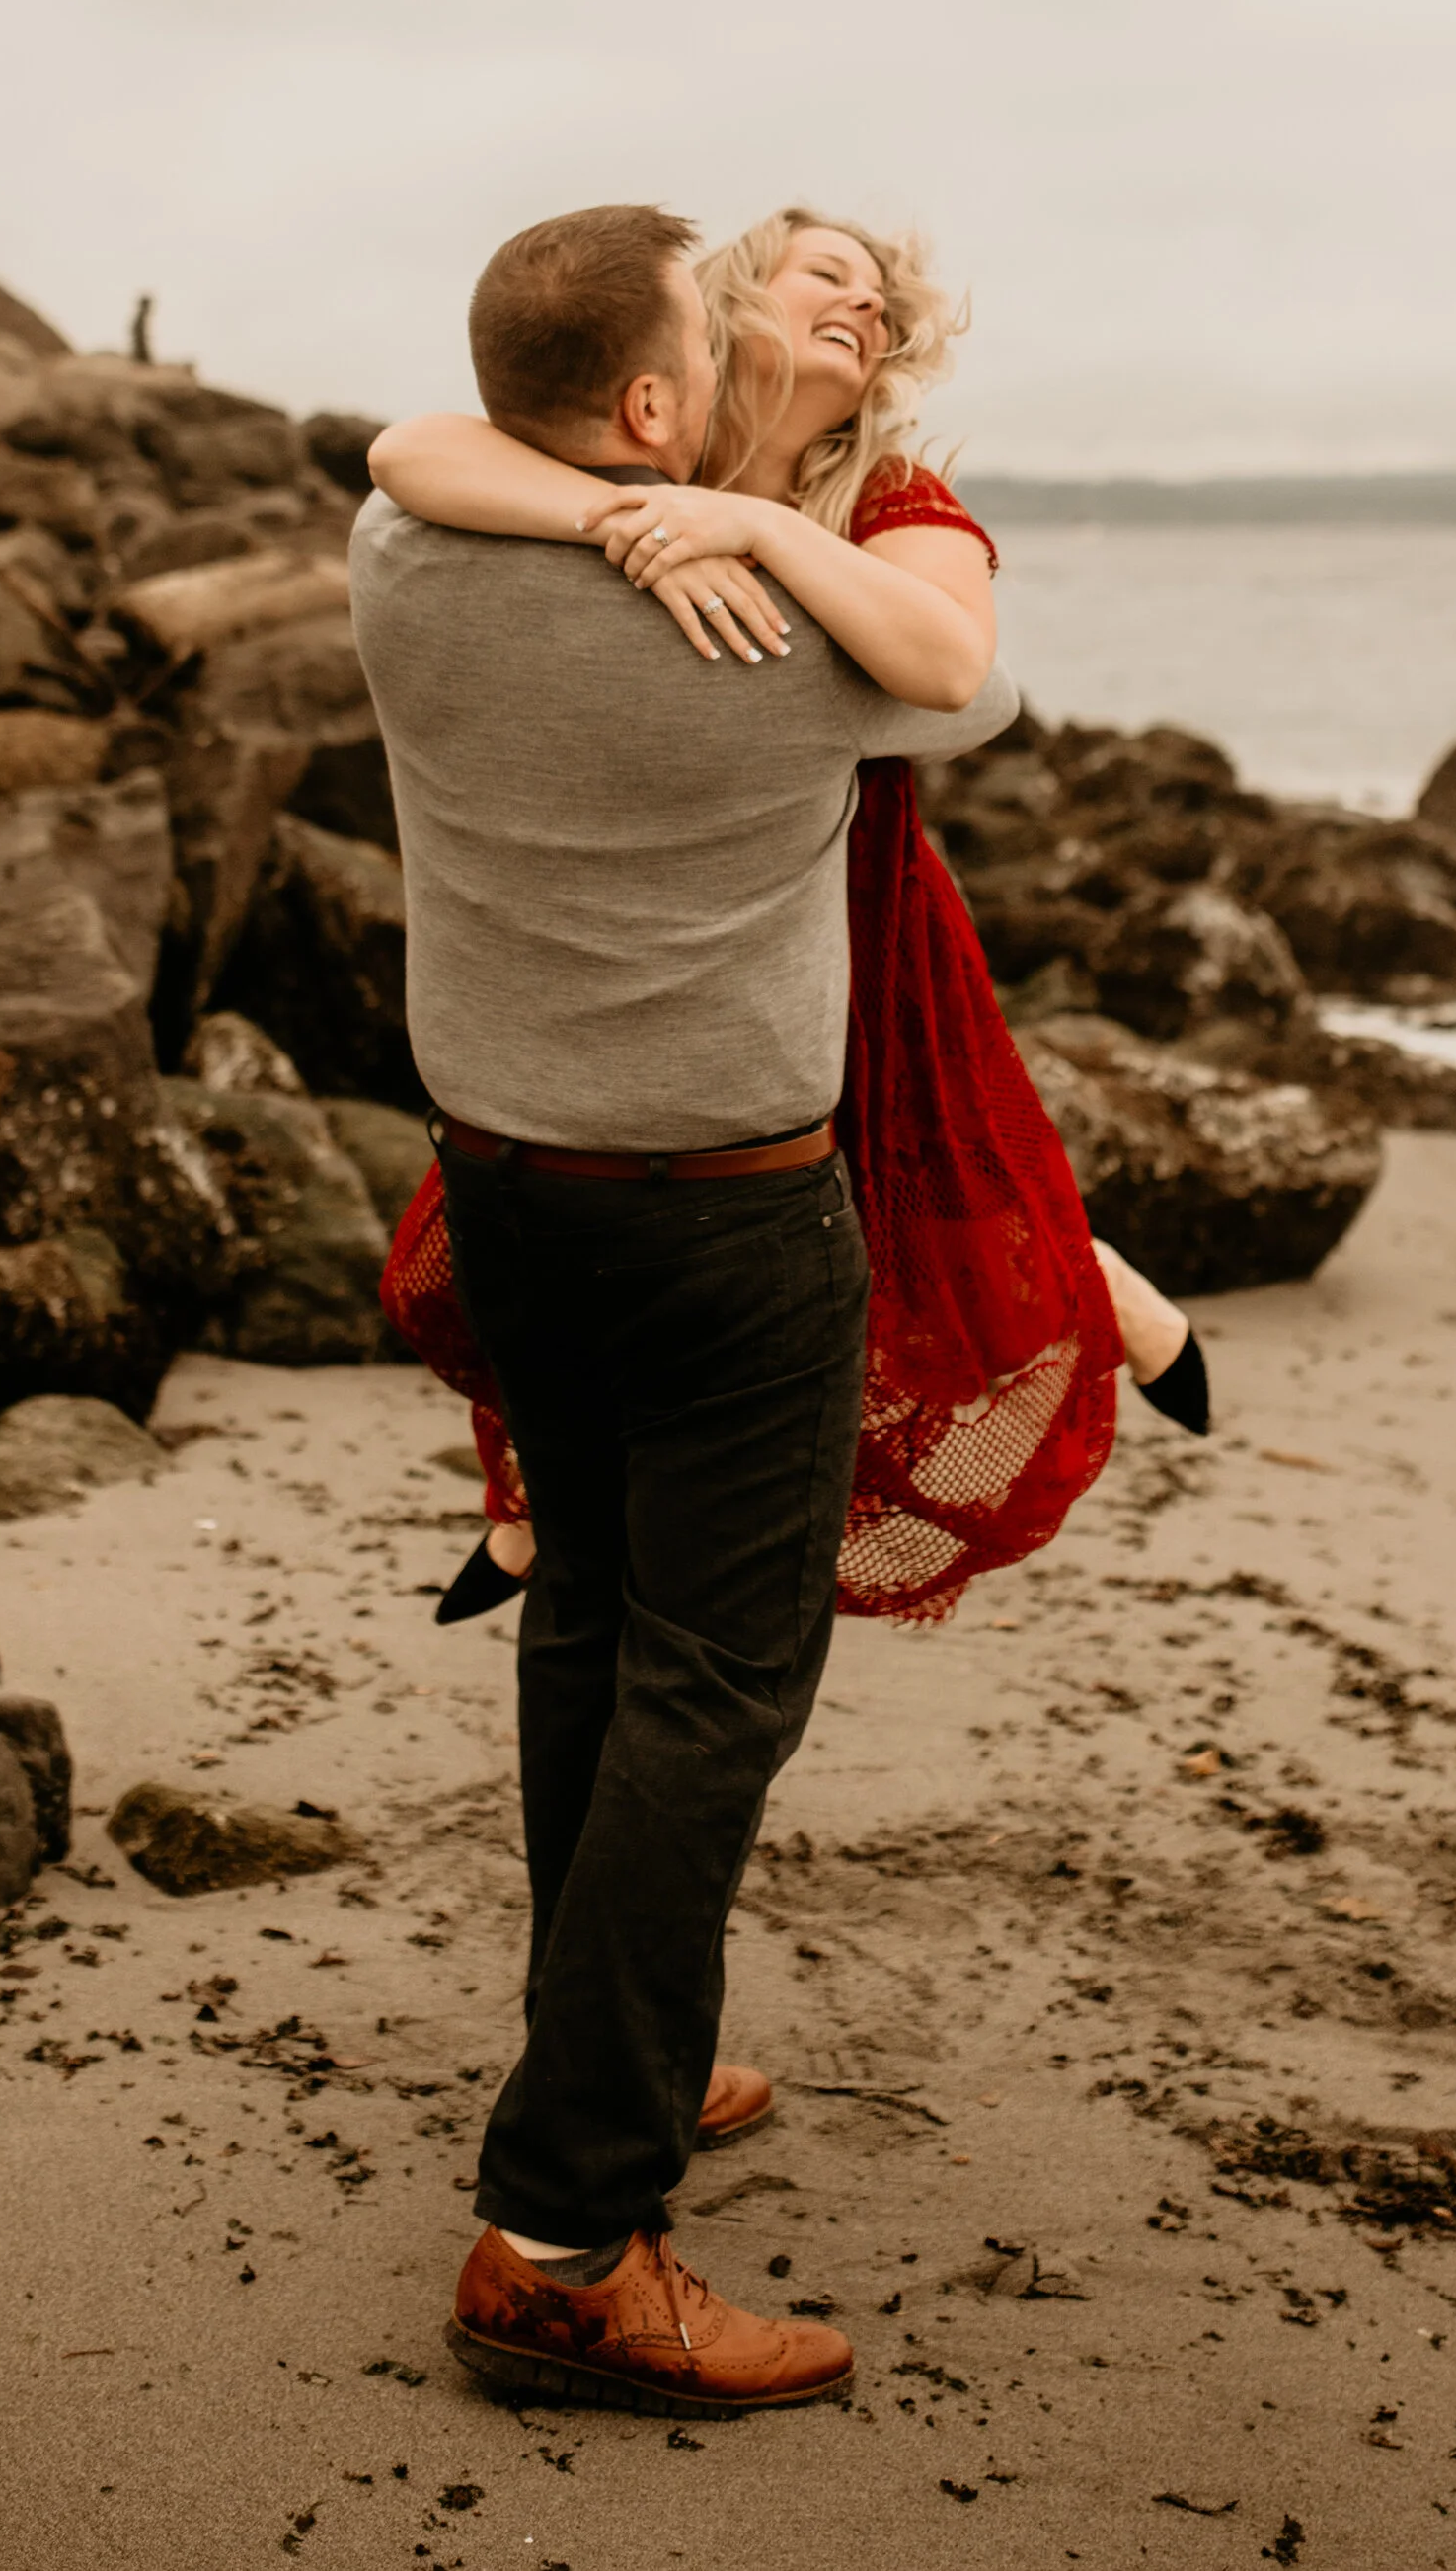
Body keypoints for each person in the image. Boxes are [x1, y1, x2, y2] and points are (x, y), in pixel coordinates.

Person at [347, 201, 1022, 2418]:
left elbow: (408, 451)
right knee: (710, 1683)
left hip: (508, 1187)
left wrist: (609, 503)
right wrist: (678, 525)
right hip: (728, 1229)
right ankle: (559, 2232)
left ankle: (610, 2037)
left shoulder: (404, 575)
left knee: (584, 1623)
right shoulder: (775, 642)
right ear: (656, 400)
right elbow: (970, 688)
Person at [368, 203, 1209, 1636]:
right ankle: (534, 1505)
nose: (865, 306)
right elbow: (402, 452)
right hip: (647, 912)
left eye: (882, 298)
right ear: (725, 308)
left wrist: (746, 525)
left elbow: (950, 663)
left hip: (850, 899)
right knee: (557, 1206)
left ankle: (1090, 1283)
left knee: (903, 1202)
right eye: (830, 272)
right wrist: (629, 522)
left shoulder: (890, 497)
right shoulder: (645, 451)